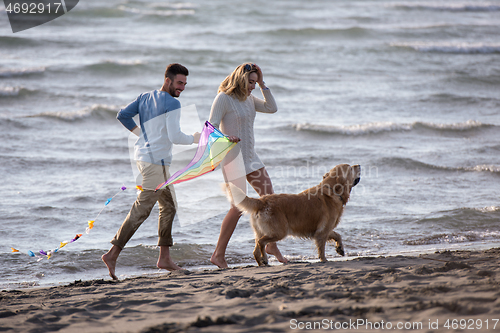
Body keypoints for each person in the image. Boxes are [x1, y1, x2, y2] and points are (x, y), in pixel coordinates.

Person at [102, 63, 200, 280]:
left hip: (146, 159)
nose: (182, 87)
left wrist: (141, 135)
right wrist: (195, 138)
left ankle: (164, 258)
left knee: (169, 205)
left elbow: (122, 116)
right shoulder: (173, 103)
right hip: (155, 163)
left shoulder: (145, 97)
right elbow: (176, 137)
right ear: (168, 80)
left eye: (185, 84)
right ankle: (112, 254)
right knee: (142, 209)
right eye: (179, 82)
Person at [209, 63, 288, 268]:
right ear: (240, 79)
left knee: (269, 201)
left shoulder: (249, 99)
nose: (252, 86)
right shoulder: (223, 99)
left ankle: (268, 246)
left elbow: (272, 108)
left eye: (254, 82)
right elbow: (210, 128)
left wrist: (263, 84)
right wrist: (226, 137)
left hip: (251, 158)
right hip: (232, 159)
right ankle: (218, 255)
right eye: (250, 82)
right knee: (237, 208)